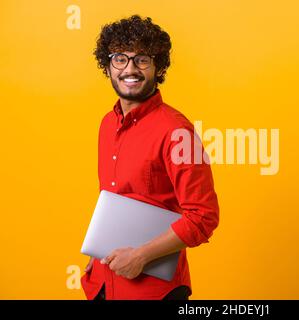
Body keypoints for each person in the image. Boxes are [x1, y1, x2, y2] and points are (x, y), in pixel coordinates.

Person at [81, 15, 220, 300]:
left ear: (158, 68)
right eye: (120, 58)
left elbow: (203, 218)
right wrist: (98, 253)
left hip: (153, 292)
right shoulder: (107, 124)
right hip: (102, 283)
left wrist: (141, 256)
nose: (130, 69)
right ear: (107, 67)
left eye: (141, 59)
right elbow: (114, 196)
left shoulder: (177, 131)